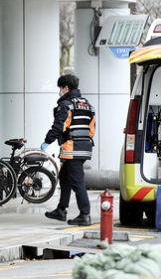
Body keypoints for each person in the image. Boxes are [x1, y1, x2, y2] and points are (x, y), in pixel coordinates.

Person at [42, 74, 95, 226]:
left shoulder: (67, 105)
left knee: (77, 182)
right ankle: (61, 210)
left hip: (72, 148)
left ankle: (85, 215)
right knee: (64, 178)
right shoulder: (87, 104)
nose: (59, 91)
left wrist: (47, 141)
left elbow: (60, 126)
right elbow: (91, 129)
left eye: (60, 88)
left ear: (66, 88)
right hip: (84, 146)